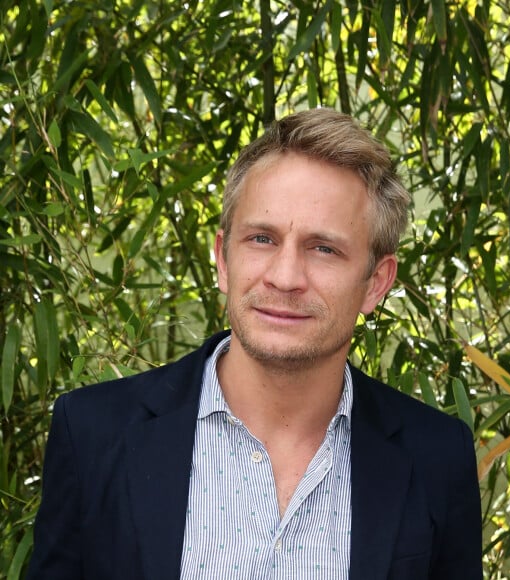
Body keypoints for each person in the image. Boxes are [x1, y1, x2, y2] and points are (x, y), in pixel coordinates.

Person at [27, 108, 482, 579]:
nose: (285, 277)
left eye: (323, 248)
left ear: (376, 283)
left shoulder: (437, 460)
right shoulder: (94, 435)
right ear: (224, 260)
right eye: (262, 238)